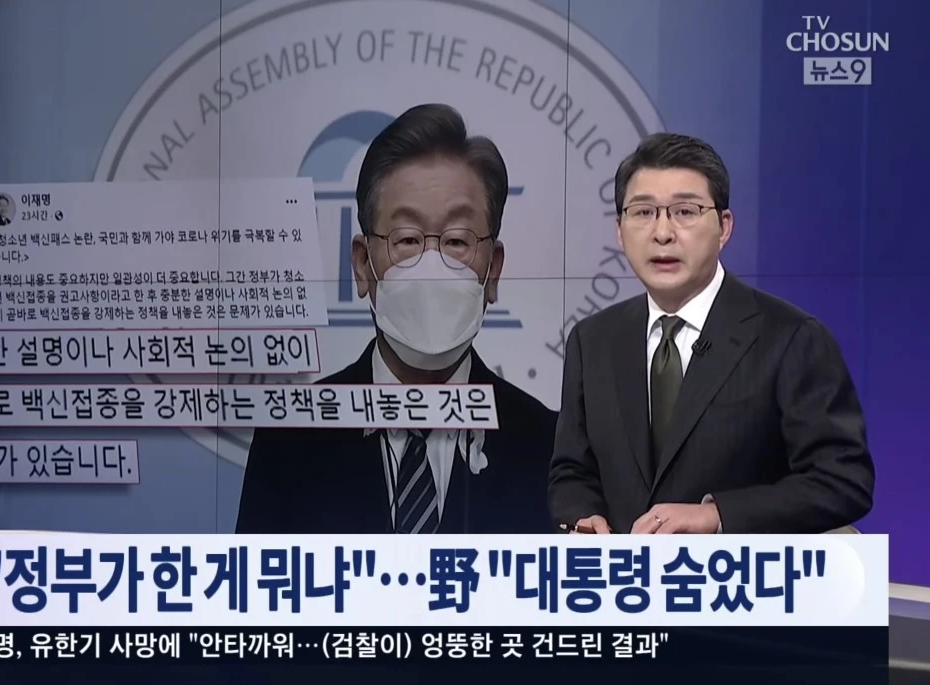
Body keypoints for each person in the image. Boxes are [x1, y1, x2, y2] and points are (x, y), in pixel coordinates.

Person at [237, 104, 557, 534]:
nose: (431, 267)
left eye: (457, 241)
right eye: (407, 239)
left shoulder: (550, 448)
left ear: (493, 270)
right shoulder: (290, 441)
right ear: (362, 264)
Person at [548, 132, 874, 535]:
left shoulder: (791, 338)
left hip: (741, 573)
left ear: (724, 227)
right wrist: (582, 515)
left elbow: (843, 480)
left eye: (685, 211)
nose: (662, 233)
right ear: (619, 230)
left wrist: (717, 515)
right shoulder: (592, 340)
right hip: (624, 573)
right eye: (643, 212)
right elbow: (572, 471)